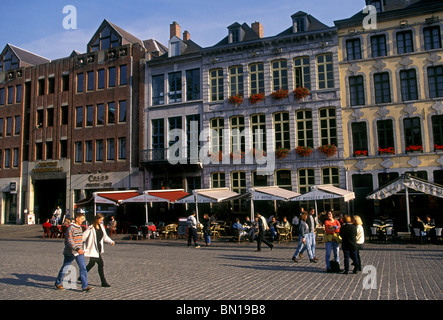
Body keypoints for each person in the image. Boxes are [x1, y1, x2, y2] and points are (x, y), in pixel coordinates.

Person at [54, 211, 93, 292]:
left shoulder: (80, 228)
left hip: (79, 252)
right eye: (81, 219)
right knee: (65, 267)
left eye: (83, 219)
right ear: (77, 218)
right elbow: (69, 240)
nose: (83, 220)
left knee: (83, 268)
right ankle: (58, 282)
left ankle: (85, 286)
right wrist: (77, 248)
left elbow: (81, 239)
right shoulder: (71, 228)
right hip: (70, 252)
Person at [83, 213, 115, 287]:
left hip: (99, 248)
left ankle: (81, 276)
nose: (101, 221)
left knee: (91, 264)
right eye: (100, 220)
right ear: (96, 219)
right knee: (101, 264)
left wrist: (111, 241)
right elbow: (83, 236)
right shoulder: (91, 228)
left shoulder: (101, 227)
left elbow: (105, 237)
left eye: (102, 220)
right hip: (93, 249)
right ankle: (103, 282)